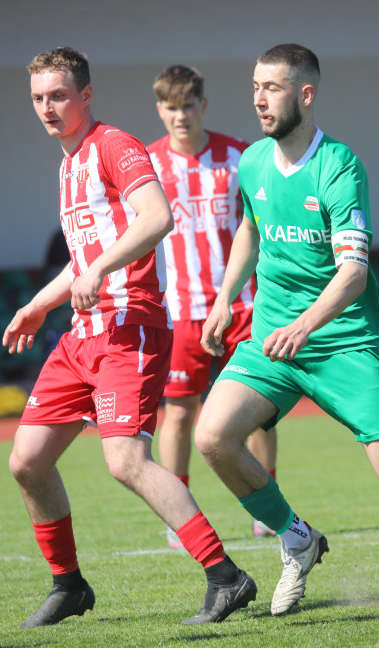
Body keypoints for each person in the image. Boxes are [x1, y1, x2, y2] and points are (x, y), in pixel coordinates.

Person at [193, 44, 379, 617]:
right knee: (212, 438)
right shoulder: (254, 160)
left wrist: (307, 325)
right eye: (255, 86)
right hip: (274, 338)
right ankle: (296, 540)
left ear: (305, 95)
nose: (259, 98)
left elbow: (354, 273)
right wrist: (224, 298)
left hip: (344, 341)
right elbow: (250, 230)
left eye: (273, 87)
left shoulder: (339, 166)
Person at [2, 47, 256, 629]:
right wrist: (38, 305)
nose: (47, 106)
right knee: (27, 461)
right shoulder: (68, 165)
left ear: (85, 96)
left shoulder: (114, 146)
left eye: (58, 95)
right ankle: (68, 585)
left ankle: (225, 576)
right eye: (39, 97)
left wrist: (98, 271)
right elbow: (81, 260)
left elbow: (157, 217)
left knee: (125, 460)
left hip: (129, 326)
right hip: (81, 334)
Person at [146, 64, 278, 548]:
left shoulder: (238, 155)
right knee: (179, 413)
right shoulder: (148, 164)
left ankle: (268, 505)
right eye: (170, 107)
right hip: (181, 310)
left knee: (259, 410)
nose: (180, 116)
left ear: (203, 105)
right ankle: (179, 515)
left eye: (187, 105)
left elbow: (264, 225)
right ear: (159, 110)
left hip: (243, 304)